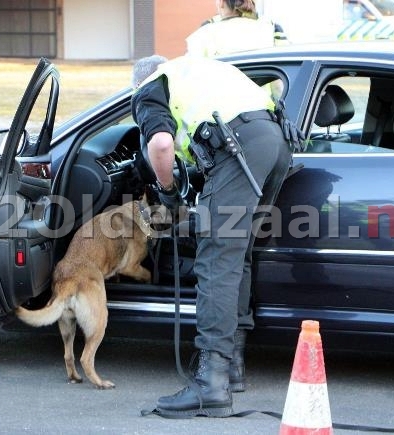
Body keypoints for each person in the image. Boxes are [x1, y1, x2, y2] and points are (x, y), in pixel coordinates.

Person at [131, 55, 303, 417]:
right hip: (274, 144)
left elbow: (160, 145)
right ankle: (233, 367)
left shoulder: (151, 87)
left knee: (216, 261)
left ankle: (210, 383)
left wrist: (166, 189)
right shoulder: (200, 71)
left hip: (239, 149)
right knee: (237, 255)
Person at [186, 0, 288, 58]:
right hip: (263, 96)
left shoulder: (206, 31)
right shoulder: (272, 28)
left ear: (221, 2)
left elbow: (191, 74)